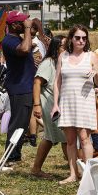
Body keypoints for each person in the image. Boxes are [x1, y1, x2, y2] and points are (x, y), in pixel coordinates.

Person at [52, 24, 98, 184]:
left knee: (84, 138)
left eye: (84, 38)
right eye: (77, 38)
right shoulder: (63, 57)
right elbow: (57, 82)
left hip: (84, 102)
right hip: (67, 102)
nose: (81, 41)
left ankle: (87, 175)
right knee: (69, 140)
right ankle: (73, 174)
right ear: (71, 39)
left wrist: (95, 73)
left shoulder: (92, 57)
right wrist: (55, 104)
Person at [1, 11, 48, 164]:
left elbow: (34, 23)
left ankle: (15, 154)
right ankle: (10, 156)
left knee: (22, 123)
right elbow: (24, 50)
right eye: (22, 22)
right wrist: (27, 30)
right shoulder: (8, 40)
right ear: (14, 25)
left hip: (25, 86)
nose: (26, 24)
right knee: (17, 123)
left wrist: (37, 31)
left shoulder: (16, 38)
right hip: (19, 87)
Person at [31, 35, 66, 178]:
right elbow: (37, 83)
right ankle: (76, 170)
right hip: (49, 105)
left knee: (50, 138)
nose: (67, 48)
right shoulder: (49, 63)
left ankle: (36, 169)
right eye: (64, 46)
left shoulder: (62, 62)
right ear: (56, 48)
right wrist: (37, 105)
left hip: (59, 106)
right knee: (65, 137)